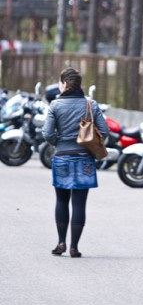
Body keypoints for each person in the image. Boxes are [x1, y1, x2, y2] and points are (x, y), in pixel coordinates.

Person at [42, 67, 109, 258]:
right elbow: (105, 131)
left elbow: (47, 133)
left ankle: (61, 242)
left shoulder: (55, 105)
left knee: (61, 200)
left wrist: (59, 142)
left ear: (64, 84)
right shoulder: (90, 104)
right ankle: (74, 247)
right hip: (84, 158)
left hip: (62, 157)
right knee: (79, 204)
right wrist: (89, 141)